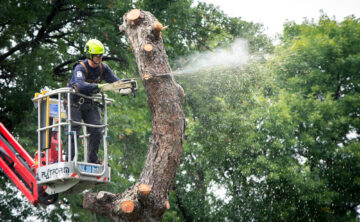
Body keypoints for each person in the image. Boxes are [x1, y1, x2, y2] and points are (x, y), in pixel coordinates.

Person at [67, 39, 119, 164]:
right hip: (75, 104)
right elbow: (80, 85)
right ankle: (70, 160)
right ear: (89, 55)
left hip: (89, 104)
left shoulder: (103, 68)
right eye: (97, 55)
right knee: (74, 129)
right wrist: (99, 87)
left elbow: (115, 82)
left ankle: (93, 160)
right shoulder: (80, 68)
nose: (100, 58)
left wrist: (125, 86)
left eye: (101, 55)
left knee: (97, 130)